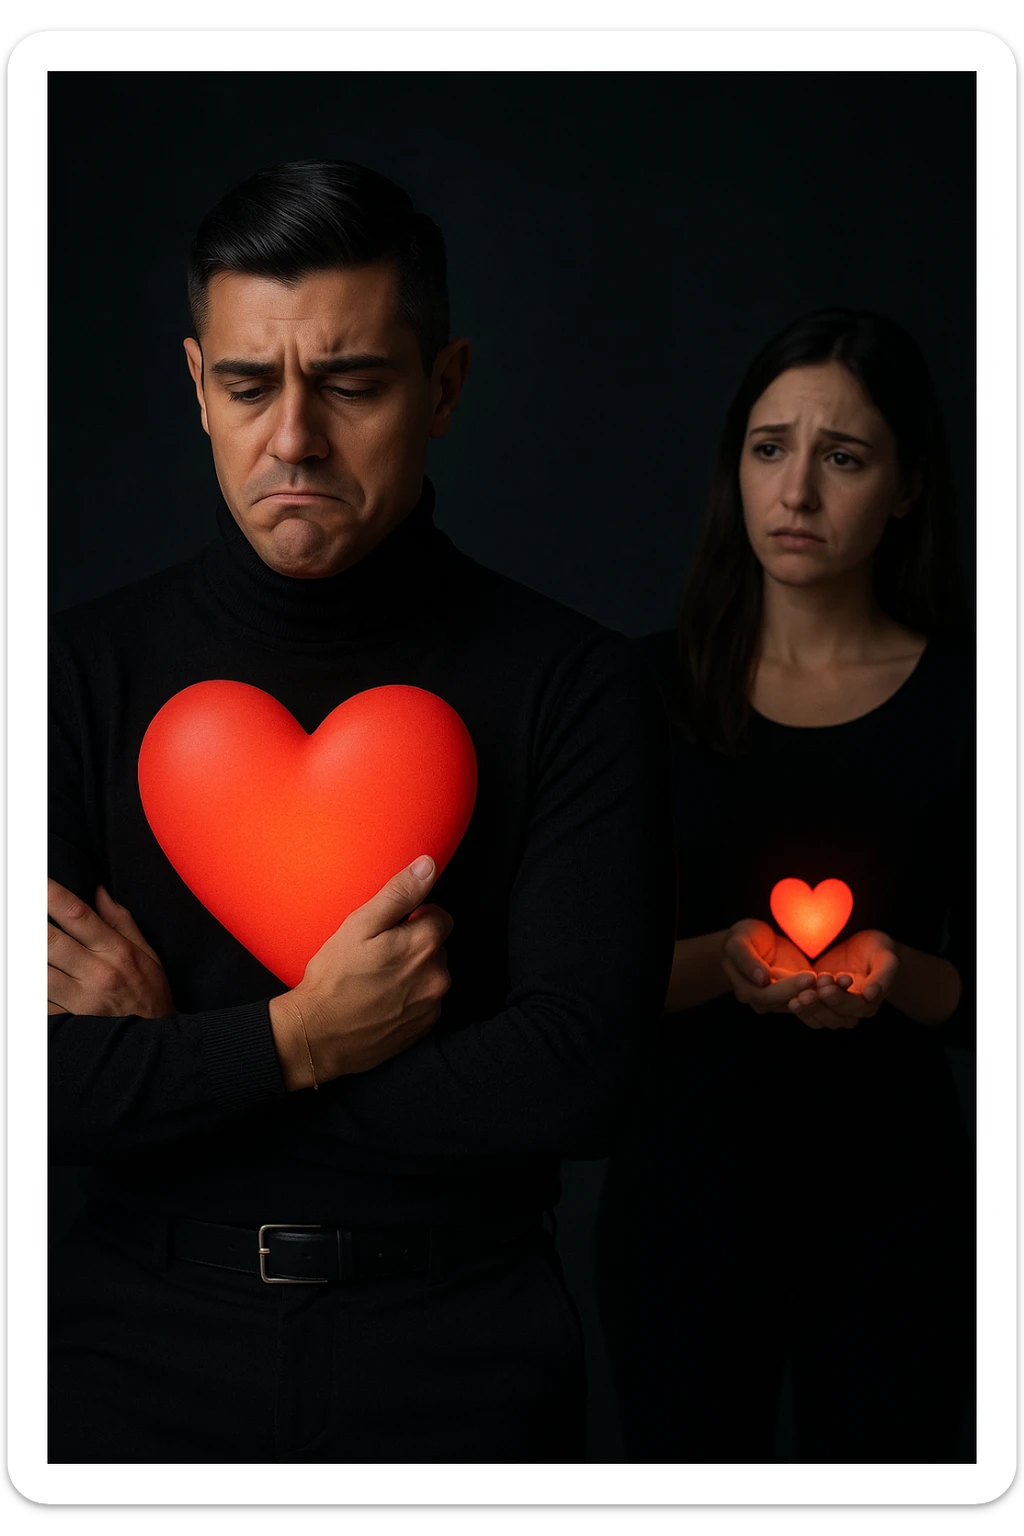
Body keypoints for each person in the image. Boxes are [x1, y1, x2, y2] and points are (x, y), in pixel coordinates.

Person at [47, 159, 676, 1464]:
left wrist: (185, 1062)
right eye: (246, 383)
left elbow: (581, 1085)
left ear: (442, 388)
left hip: (463, 1349)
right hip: (128, 1347)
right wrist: (298, 1039)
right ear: (194, 388)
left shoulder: (574, 684)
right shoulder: (68, 676)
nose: (294, 438)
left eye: (351, 382)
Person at [595, 309, 975, 1464]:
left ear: (906, 487)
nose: (796, 490)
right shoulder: (640, 691)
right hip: (684, 1207)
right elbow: (580, 984)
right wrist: (729, 958)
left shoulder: (970, 700)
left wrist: (897, 977)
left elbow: (986, 985)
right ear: (735, 466)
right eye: (769, 448)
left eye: (842, 457)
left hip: (901, 1211)